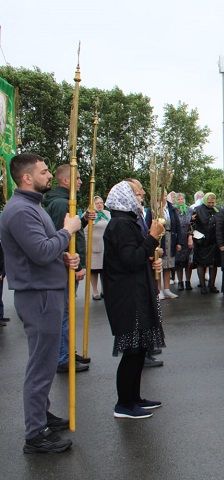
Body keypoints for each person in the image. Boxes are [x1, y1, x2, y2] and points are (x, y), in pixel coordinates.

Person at [0, 152, 82, 453]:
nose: (49, 176)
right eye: (44, 171)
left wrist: (64, 257)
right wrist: (67, 231)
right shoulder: (21, 210)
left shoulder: (32, 206)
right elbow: (40, 252)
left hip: (45, 290)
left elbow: (44, 250)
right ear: (27, 178)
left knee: (45, 363)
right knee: (41, 366)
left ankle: (41, 415)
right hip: (39, 296)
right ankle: (35, 434)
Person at [103, 181, 165, 419]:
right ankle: (124, 404)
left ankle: (134, 397)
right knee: (132, 350)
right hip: (127, 296)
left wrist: (152, 259)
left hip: (136, 290)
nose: (141, 197)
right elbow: (130, 260)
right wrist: (151, 237)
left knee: (139, 350)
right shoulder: (120, 224)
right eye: (137, 193)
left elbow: (137, 256)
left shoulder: (128, 221)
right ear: (125, 196)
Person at [43, 163, 92, 371]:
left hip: (66, 264)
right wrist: (77, 263)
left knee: (68, 311)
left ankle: (67, 352)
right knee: (64, 312)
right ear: (66, 180)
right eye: (78, 177)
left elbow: (72, 229)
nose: (81, 181)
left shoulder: (61, 201)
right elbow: (62, 235)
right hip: (65, 265)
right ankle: (63, 357)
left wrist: (83, 221)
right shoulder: (62, 203)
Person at [145, 191, 182, 300]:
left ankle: (167, 289)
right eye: (160, 195)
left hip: (170, 238)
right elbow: (147, 224)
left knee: (168, 265)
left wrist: (179, 242)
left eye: (164, 195)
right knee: (158, 264)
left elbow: (178, 225)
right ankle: (158, 290)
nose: (162, 197)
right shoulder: (152, 209)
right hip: (158, 239)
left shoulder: (172, 208)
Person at [191, 193, 220, 294]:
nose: (211, 204)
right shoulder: (198, 209)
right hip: (201, 241)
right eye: (209, 202)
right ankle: (203, 286)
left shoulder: (216, 210)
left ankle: (211, 285)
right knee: (201, 264)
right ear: (205, 200)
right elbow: (191, 224)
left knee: (213, 264)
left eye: (213, 202)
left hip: (213, 241)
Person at [86, 195, 111, 300]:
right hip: (94, 246)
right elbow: (85, 231)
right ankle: (95, 291)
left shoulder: (107, 213)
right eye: (97, 203)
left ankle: (104, 290)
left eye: (101, 202)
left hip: (106, 246)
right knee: (94, 270)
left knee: (105, 270)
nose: (100, 205)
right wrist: (87, 245)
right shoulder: (88, 214)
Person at [173, 193, 194, 291]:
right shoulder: (173, 211)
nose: (181, 200)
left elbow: (192, 224)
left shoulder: (190, 210)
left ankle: (188, 281)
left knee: (188, 262)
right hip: (178, 239)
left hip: (187, 238)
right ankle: (180, 282)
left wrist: (190, 236)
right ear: (176, 200)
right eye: (179, 199)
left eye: (182, 199)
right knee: (179, 262)